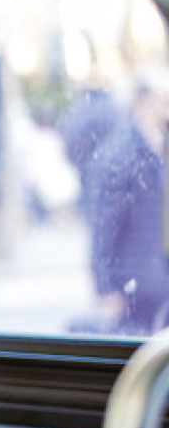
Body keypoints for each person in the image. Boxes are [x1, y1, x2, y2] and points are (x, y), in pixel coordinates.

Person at [87, 67, 169, 334]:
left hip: (156, 283)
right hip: (134, 289)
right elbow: (103, 224)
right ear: (145, 100)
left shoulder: (156, 145)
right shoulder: (121, 153)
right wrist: (105, 287)